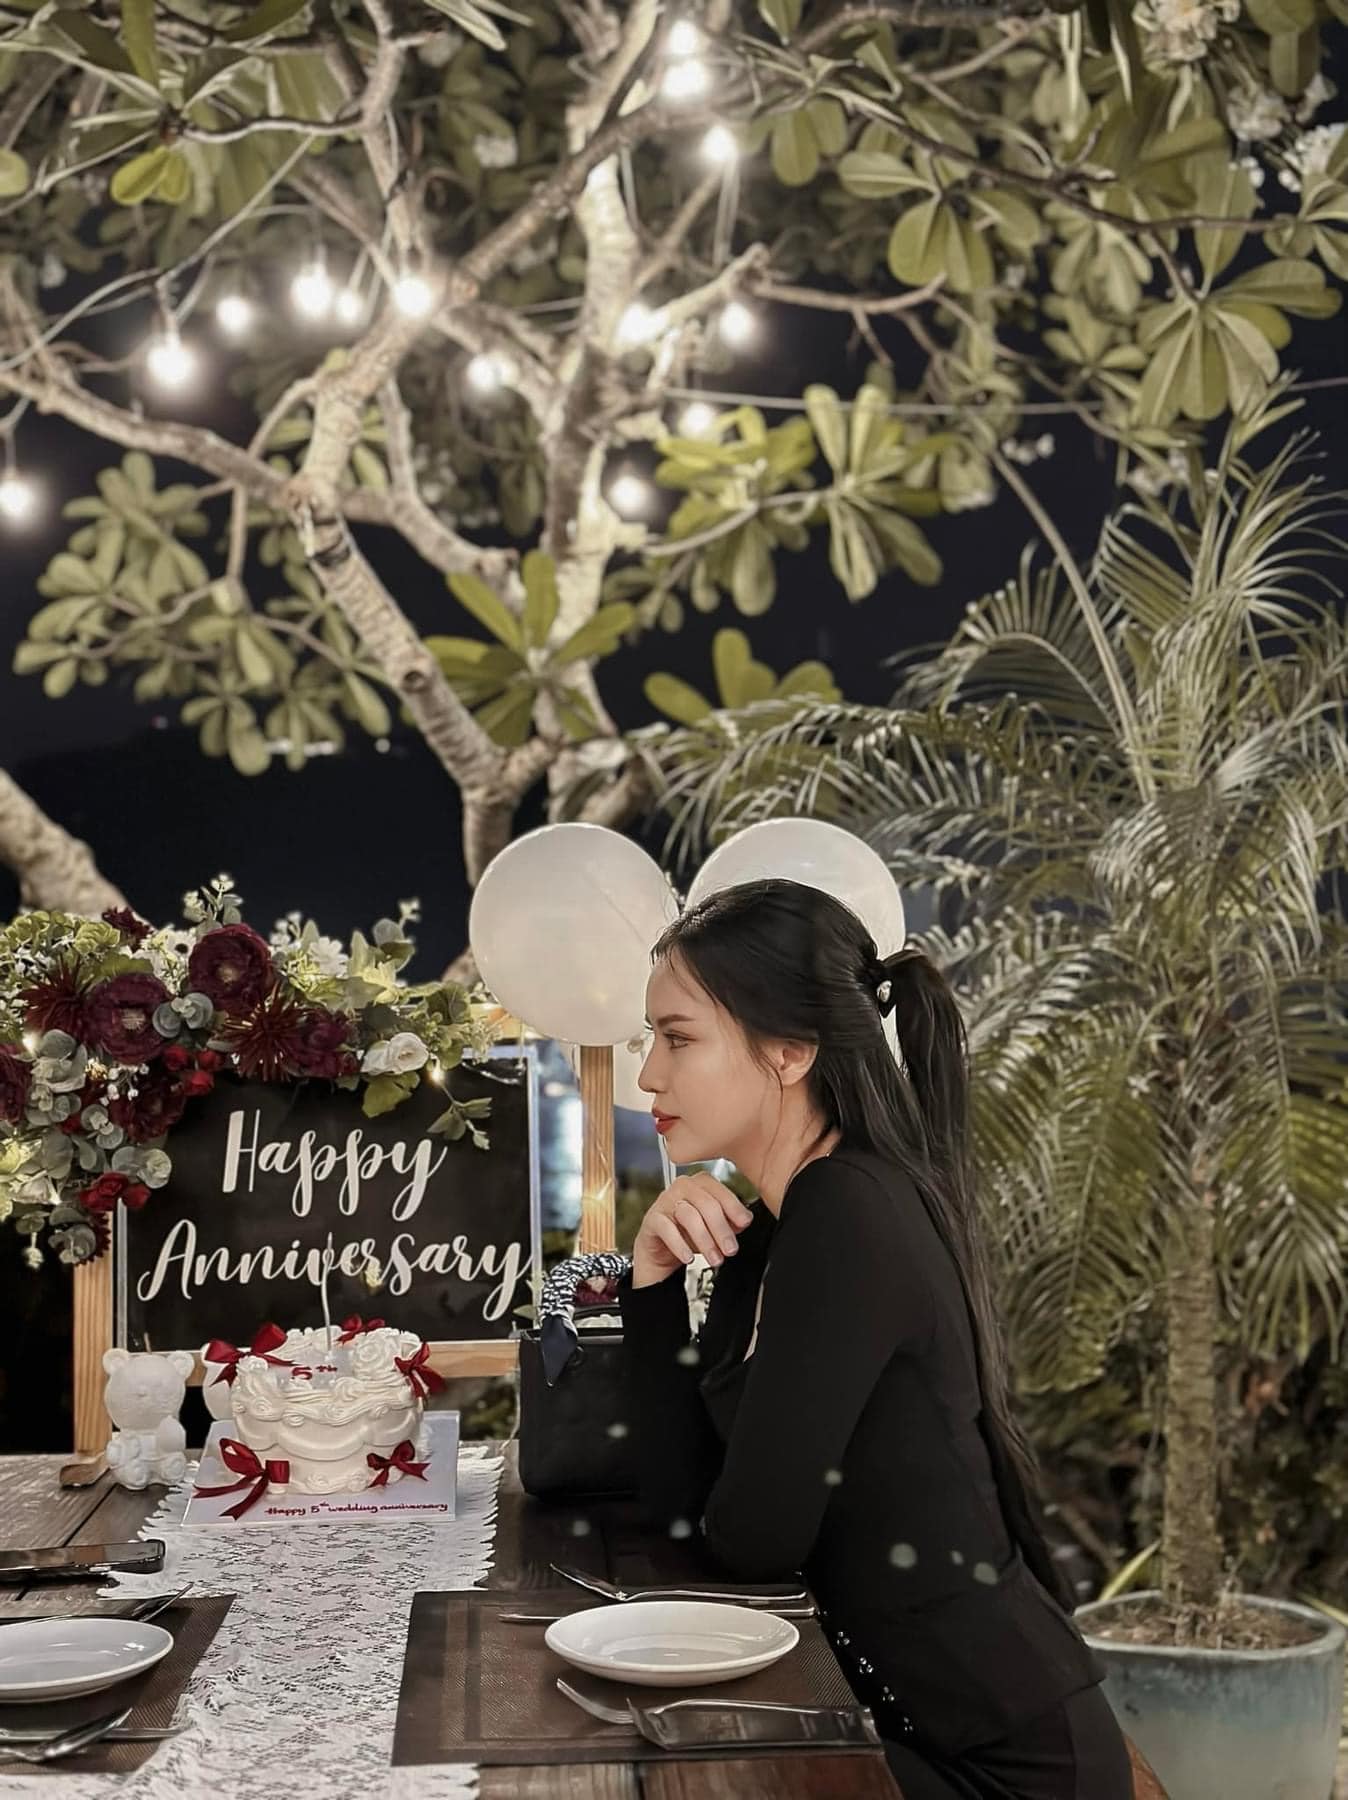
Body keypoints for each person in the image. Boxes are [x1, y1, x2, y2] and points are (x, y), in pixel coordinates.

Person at [616, 878, 1132, 1800]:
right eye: (650, 1039)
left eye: (678, 1037)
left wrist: (721, 1508)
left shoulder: (846, 1211)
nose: (649, 1075)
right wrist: (650, 1282)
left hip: (1007, 1766)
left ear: (789, 1051)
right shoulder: (772, 1231)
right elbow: (683, 1509)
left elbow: (751, 1537)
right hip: (893, 1723)